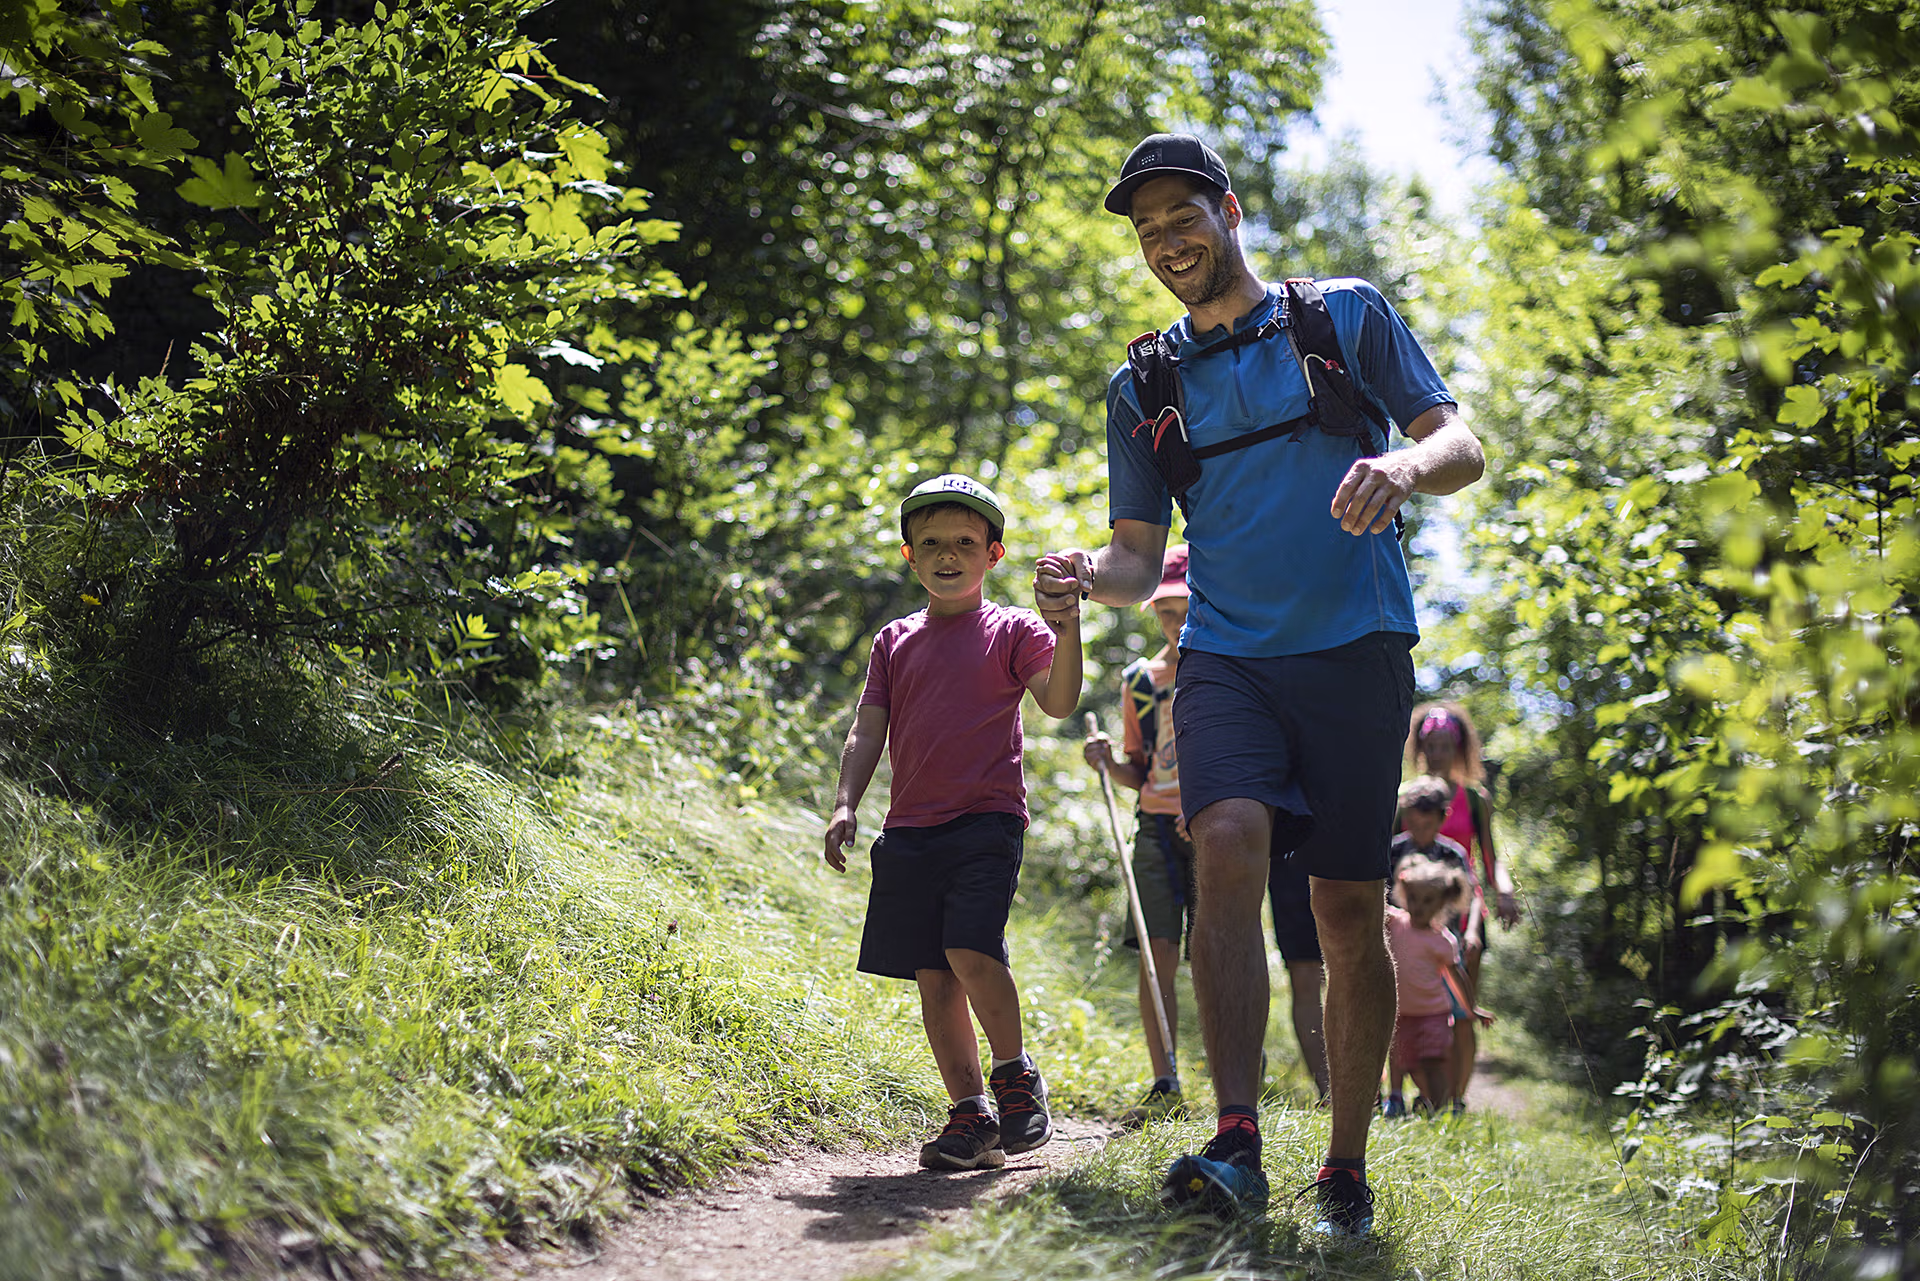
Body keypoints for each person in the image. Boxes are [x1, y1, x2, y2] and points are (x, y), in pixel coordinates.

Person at [1034, 132, 1485, 1233]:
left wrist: (1400, 464)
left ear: (1229, 211)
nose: (1166, 243)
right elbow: (1140, 562)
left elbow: (1458, 443)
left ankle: (1344, 1166)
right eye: (1146, 233)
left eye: (1181, 217)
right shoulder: (1143, 383)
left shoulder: (1343, 317)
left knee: (1341, 907)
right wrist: (1083, 576)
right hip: (1227, 656)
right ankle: (1237, 1138)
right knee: (1222, 839)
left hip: (1356, 648)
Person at [825, 473, 1084, 1172]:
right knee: (934, 977)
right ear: (909, 554)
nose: (947, 553)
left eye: (964, 542)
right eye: (931, 542)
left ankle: (1015, 1076)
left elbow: (1058, 701)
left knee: (972, 950)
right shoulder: (894, 639)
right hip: (909, 829)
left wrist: (1067, 626)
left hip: (986, 819)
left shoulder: (1014, 629)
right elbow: (866, 725)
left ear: (992, 554)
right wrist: (847, 800)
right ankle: (971, 1115)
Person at [1083, 545, 1196, 1125]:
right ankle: (1165, 1078)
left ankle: (1235, 1084)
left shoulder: (1227, 668)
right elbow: (1139, 769)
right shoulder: (1141, 683)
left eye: (1186, 608)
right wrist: (1107, 764)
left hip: (1215, 829)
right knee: (1158, 956)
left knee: (1218, 952)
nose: (1177, 623)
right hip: (1154, 826)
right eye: (1167, 612)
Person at [1406, 702, 1518, 1111]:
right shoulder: (1409, 798)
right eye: (1429, 746)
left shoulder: (1475, 799)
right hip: (1415, 917)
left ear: (1457, 748)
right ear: (1420, 748)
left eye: (1444, 746)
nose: (1436, 754)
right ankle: (1425, 1093)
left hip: (1465, 917)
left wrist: (1504, 891)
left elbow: (1490, 860)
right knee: (1417, 1006)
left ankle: (1456, 1098)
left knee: (1462, 1006)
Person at [1383, 858, 1492, 1118]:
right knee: (1398, 1056)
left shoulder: (1443, 941)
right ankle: (1395, 1097)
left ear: (1443, 902)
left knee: (1432, 1060)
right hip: (1400, 1012)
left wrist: (1470, 1008)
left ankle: (1438, 1107)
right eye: (1413, 897)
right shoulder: (1395, 922)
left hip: (1433, 1014)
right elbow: (1373, 903)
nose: (1418, 906)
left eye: (1428, 900)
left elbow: (1457, 978)